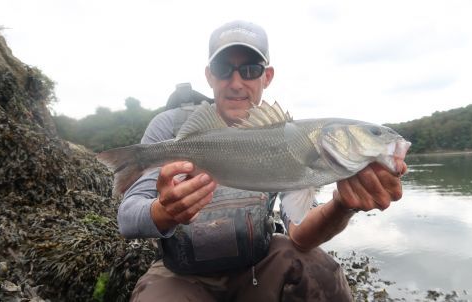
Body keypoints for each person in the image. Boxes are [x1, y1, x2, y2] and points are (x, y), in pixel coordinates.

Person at [118, 20, 407, 302]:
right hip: (182, 276)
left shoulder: (288, 138)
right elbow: (127, 217)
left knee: (320, 271)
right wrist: (164, 212)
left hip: (257, 268)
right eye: (223, 69)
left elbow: (300, 234)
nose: (236, 82)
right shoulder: (168, 128)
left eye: (250, 69)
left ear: (266, 76)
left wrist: (343, 205)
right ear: (209, 75)